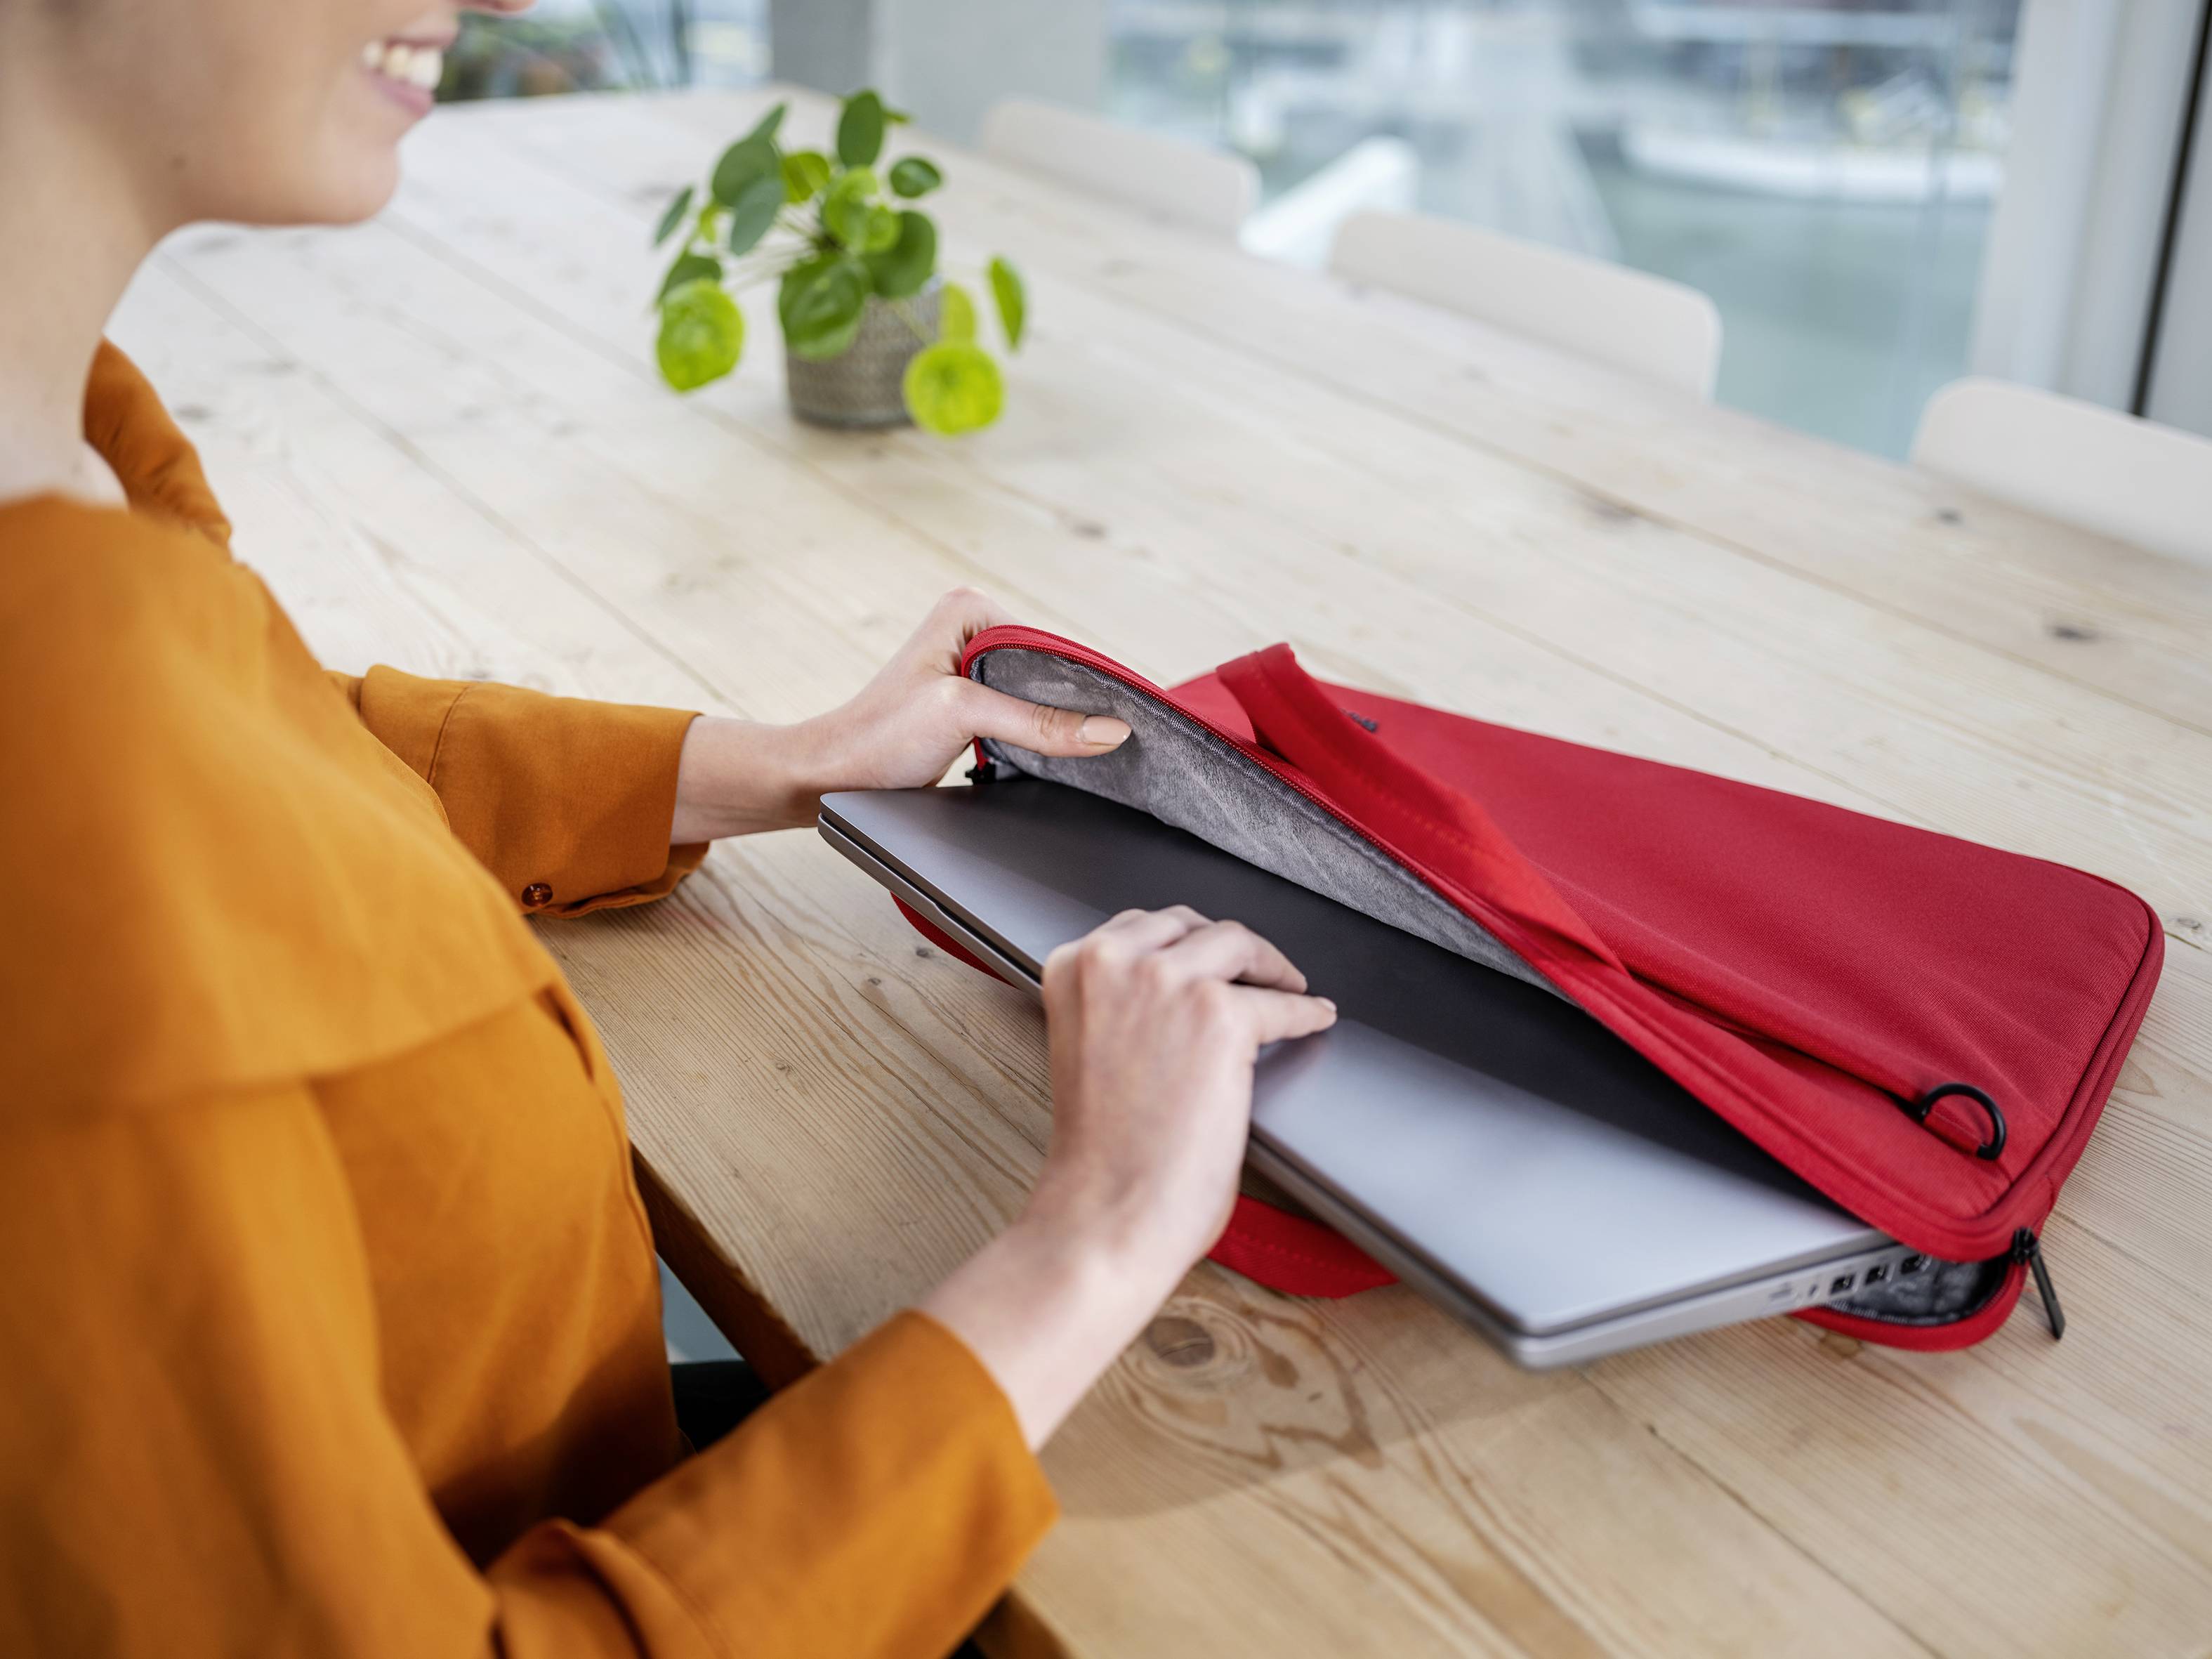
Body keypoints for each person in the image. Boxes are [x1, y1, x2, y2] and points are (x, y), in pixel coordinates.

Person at [0, 1, 1339, 1653]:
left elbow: (268, 754)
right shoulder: (50, 795)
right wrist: (1098, 1231)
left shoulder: (56, 456)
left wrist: (769, 760)